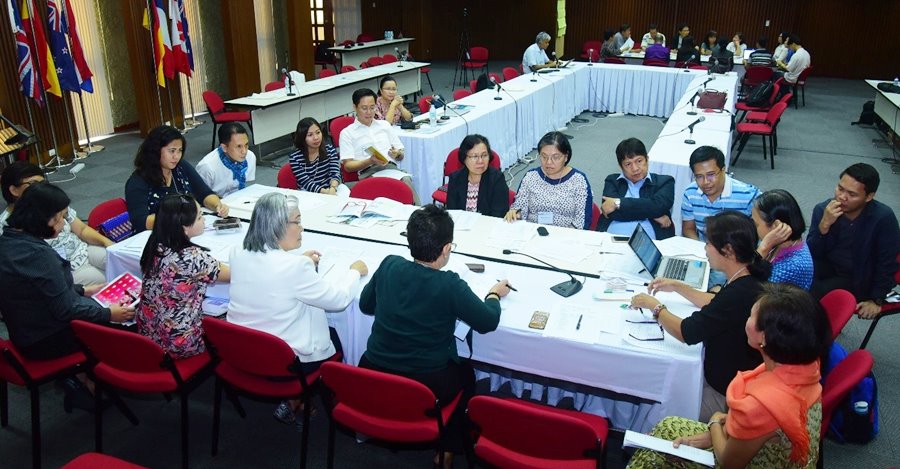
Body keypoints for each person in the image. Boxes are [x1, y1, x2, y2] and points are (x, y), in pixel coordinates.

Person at [359, 204, 510, 468]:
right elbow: (488, 321)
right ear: (447, 248)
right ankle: (448, 448)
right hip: (427, 382)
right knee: (466, 375)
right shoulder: (449, 284)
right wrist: (494, 295)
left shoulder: (389, 265)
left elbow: (365, 306)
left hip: (374, 371)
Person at [627, 283, 828, 469]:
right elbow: (763, 431)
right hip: (770, 455)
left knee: (656, 450)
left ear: (764, 337)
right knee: (667, 429)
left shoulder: (763, 403)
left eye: (750, 316)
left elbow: (728, 462)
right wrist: (716, 433)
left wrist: (715, 422)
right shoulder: (807, 367)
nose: (746, 321)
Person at [228, 192, 367, 425]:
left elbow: (272, 272)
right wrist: (354, 271)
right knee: (338, 333)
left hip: (244, 354)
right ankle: (319, 399)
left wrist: (296, 260)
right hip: (287, 363)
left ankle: (296, 400)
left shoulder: (237, 252)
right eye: (298, 221)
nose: (302, 228)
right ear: (278, 226)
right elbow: (339, 299)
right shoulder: (296, 267)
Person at [631, 211, 770, 422]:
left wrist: (655, 307)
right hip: (731, 377)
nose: (705, 248)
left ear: (728, 251)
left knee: (658, 413)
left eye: (709, 244)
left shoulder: (739, 293)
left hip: (725, 393)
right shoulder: (746, 276)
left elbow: (686, 332)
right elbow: (715, 304)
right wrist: (677, 286)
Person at [0, 183, 135, 360]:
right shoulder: (39, 255)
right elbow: (66, 310)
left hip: (27, 331)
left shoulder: (9, 240)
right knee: (128, 323)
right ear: (42, 218)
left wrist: (83, 290)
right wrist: (109, 314)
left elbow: (40, 289)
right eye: (59, 218)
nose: (64, 224)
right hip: (47, 338)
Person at [137, 193, 229, 359]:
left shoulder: (155, 244)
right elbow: (233, 274)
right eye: (200, 216)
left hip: (149, 334)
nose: (204, 220)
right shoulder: (191, 257)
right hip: (180, 341)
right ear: (184, 227)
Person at [808, 163, 900, 318]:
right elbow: (811, 253)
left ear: (869, 197)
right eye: (840, 188)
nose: (842, 197)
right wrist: (823, 226)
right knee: (794, 277)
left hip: (859, 276)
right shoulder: (823, 209)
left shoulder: (883, 218)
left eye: (852, 194)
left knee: (813, 294)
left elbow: (887, 263)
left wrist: (876, 299)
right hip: (829, 266)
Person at [1, 162, 112, 284]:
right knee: (112, 279)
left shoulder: (51, 201)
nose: (40, 187)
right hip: (63, 270)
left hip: (82, 250)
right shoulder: (8, 228)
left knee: (120, 259)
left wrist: (107, 242)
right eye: (33, 184)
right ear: (14, 190)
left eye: (43, 183)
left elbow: (81, 230)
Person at [126, 125, 228, 232]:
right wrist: (180, 218)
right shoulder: (138, 181)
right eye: (172, 151)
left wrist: (217, 205)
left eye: (180, 150)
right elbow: (140, 221)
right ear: (155, 151)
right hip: (154, 236)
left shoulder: (181, 167)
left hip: (183, 230)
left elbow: (204, 193)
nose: (176, 156)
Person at [682, 146, 759, 287]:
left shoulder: (748, 195)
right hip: (703, 253)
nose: (705, 182)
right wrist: (704, 251)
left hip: (734, 258)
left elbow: (760, 234)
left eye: (711, 174)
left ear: (723, 170)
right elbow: (688, 229)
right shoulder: (690, 193)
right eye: (699, 176)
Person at [338, 88, 419, 203]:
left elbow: (401, 155)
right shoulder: (347, 133)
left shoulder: (384, 125)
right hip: (368, 173)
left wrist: (397, 154)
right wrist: (370, 161)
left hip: (391, 168)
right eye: (364, 108)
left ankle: (417, 214)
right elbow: (347, 166)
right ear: (355, 107)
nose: (369, 112)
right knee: (387, 187)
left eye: (372, 107)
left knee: (406, 181)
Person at [505, 132, 593, 229]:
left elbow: (582, 220)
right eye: (544, 157)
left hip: (566, 236)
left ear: (566, 156)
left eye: (556, 157)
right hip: (533, 232)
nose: (549, 162)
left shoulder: (579, 180)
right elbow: (519, 208)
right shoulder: (531, 177)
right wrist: (516, 214)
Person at [597, 138, 675, 239]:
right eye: (628, 164)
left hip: (650, 244)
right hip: (610, 239)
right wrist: (652, 214)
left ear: (647, 159)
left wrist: (618, 203)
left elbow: (658, 206)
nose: (635, 168)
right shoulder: (612, 180)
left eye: (639, 161)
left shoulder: (664, 182)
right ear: (621, 166)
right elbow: (612, 213)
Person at [753, 189, 814, 290]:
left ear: (776, 226)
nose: (753, 227)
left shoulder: (791, 266)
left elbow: (748, 288)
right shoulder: (780, 242)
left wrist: (763, 248)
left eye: (756, 224)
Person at [445, 134, 510, 217]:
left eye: (484, 155)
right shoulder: (455, 178)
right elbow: (452, 212)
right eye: (475, 156)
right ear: (464, 158)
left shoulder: (497, 179)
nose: (480, 161)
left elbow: (499, 215)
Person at [195, 123, 256, 197]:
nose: (244, 151)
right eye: (238, 146)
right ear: (224, 147)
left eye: (246, 145)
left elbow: (248, 186)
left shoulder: (250, 156)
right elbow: (200, 196)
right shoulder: (207, 167)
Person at [289, 117, 344, 194]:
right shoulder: (295, 158)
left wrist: (333, 188)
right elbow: (306, 183)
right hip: (309, 193)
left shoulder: (329, 149)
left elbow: (335, 172)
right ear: (302, 137)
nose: (316, 138)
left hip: (331, 188)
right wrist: (325, 192)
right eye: (310, 135)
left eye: (318, 132)